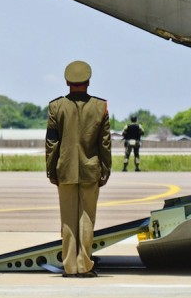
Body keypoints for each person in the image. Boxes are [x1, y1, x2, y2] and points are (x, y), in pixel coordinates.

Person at [45, 60, 111, 278]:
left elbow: (51, 142)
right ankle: (84, 265)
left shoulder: (56, 107)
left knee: (67, 220)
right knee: (86, 219)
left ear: (67, 82)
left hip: (64, 169)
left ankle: (70, 267)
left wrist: (50, 169)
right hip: (91, 170)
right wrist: (106, 168)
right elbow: (104, 143)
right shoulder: (100, 107)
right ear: (88, 81)